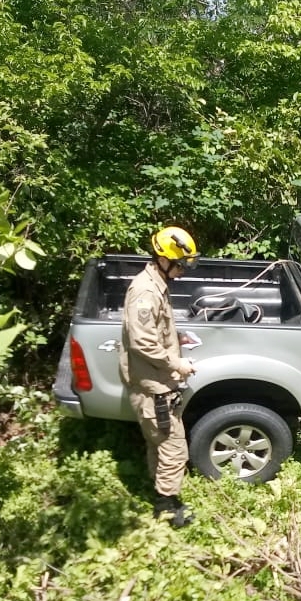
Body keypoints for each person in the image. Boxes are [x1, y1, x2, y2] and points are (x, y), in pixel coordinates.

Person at [120, 225, 199, 527]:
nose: (183, 271)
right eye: (180, 265)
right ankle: (167, 507)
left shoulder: (156, 286)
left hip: (154, 382)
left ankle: (158, 491)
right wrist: (177, 364)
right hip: (153, 384)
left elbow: (155, 330)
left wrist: (176, 338)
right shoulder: (146, 292)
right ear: (164, 260)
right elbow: (142, 342)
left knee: (159, 442)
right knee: (174, 447)